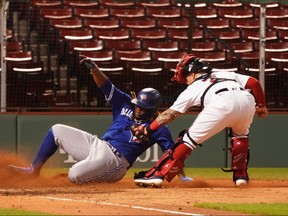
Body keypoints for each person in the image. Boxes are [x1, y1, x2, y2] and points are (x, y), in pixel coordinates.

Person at [8, 56, 189, 184]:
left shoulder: (159, 127)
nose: (138, 108)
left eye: (143, 107)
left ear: (153, 110)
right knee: (57, 130)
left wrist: (182, 177)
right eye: (137, 104)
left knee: (73, 175)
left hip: (116, 162)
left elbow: (172, 154)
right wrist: (95, 69)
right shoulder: (126, 102)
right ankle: (34, 170)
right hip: (98, 145)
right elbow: (106, 85)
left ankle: (85, 175)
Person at [131, 53, 269, 187]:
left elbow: (169, 115)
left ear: (192, 74)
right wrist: (262, 106)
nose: (186, 81)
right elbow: (254, 83)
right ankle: (240, 177)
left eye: (186, 78)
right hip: (247, 101)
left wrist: (147, 129)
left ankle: (158, 175)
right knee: (241, 135)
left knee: (187, 139)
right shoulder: (226, 73)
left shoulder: (194, 87)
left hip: (221, 103)